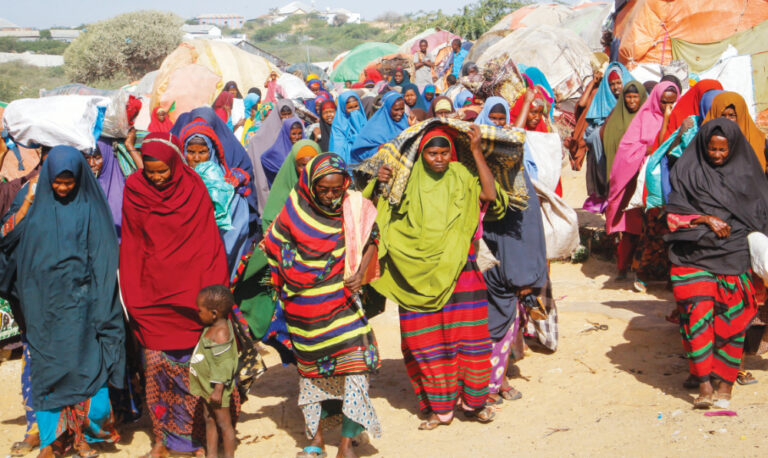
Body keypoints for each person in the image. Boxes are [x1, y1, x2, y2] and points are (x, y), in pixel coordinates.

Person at [372, 124, 507, 429]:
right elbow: (382, 210)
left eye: (445, 152)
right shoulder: (407, 180)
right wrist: (381, 182)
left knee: (472, 341)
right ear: (422, 154)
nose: (439, 158)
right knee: (425, 342)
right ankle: (441, 408)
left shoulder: (461, 175)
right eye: (432, 153)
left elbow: (489, 193)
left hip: (461, 271)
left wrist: (475, 151)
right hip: (416, 276)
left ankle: (474, 403)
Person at [5, 146, 125, 458]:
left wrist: (101, 300)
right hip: (42, 307)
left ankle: (83, 436)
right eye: (57, 181)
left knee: (87, 369)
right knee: (49, 372)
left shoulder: (90, 205)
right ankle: (51, 440)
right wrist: (27, 204)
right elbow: (5, 239)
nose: (61, 187)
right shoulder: (32, 202)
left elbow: (103, 256)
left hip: (83, 306)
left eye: (68, 182)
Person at [263, 153, 382, 458]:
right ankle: (315, 441)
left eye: (337, 189)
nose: (331, 195)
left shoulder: (353, 207)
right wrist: (298, 273)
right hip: (305, 311)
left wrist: (360, 272)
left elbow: (372, 238)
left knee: (356, 371)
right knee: (313, 378)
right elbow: (274, 247)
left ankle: (346, 445)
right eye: (324, 189)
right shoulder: (293, 211)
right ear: (310, 185)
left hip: (344, 303)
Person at [120, 133, 231, 457]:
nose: (156, 177)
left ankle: (198, 440)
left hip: (191, 296)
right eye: (150, 171)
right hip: (152, 294)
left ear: (173, 164)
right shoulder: (135, 189)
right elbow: (132, 244)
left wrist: (212, 297)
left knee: (195, 371)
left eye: (162, 171)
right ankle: (161, 439)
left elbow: (209, 244)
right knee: (156, 370)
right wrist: (133, 292)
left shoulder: (193, 188)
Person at [666, 118, 767, 409]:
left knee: (732, 323)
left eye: (723, 150)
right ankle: (704, 385)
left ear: (733, 148)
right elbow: (672, 213)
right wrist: (704, 218)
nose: (717, 155)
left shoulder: (749, 175)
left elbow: (761, 216)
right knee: (697, 321)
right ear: (703, 146)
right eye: (712, 149)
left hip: (734, 257)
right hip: (692, 256)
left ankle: (725, 384)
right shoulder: (688, 171)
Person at [606, 81, 678, 281]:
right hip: (641, 181)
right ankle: (624, 268)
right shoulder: (644, 118)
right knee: (634, 228)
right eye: (664, 102)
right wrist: (649, 150)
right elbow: (628, 148)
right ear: (656, 99)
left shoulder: (679, 118)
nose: (668, 107)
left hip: (667, 180)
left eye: (672, 102)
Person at [180, 119, 253, 280]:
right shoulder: (178, 181)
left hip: (221, 254)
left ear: (211, 151)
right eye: (190, 152)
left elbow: (238, 226)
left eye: (203, 152)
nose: (196, 158)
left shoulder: (228, 184)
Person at [190, 285, 239, 458]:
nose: (198, 313)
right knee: (209, 419)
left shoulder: (221, 334)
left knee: (224, 425)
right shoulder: (213, 325)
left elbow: (224, 365)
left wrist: (218, 390)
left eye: (200, 310)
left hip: (216, 390)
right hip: (207, 387)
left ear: (213, 313)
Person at [589, 82, 647, 207]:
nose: (632, 101)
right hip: (617, 167)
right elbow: (604, 136)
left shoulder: (646, 116)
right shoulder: (616, 115)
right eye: (628, 97)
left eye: (635, 97)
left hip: (639, 169)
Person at [247, 100, 297, 213]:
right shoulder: (266, 133)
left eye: (289, 114)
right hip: (273, 180)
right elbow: (258, 147)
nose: (286, 118)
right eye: (283, 115)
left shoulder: (297, 128)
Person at [702, 91, 768, 172]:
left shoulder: (759, 142)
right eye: (722, 115)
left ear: (741, 117)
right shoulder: (704, 141)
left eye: (731, 116)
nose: (727, 120)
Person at [349, 91, 409, 166]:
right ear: (387, 109)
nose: (400, 113)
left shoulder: (406, 122)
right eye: (396, 110)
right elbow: (359, 153)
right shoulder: (374, 128)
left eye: (402, 109)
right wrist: (379, 149)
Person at [261, 117, 305, 186]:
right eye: (293, 134)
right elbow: (264, 159)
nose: (297, 137)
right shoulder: (278, 151)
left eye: (299, 133)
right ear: (287, 134)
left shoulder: (305, 147)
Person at [329, 91, 367, 164]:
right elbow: (337, 149)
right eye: (350, 108)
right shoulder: (338, 126)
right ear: (343, 108)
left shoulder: (363, 120)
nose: (354, 110)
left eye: (356, 106)